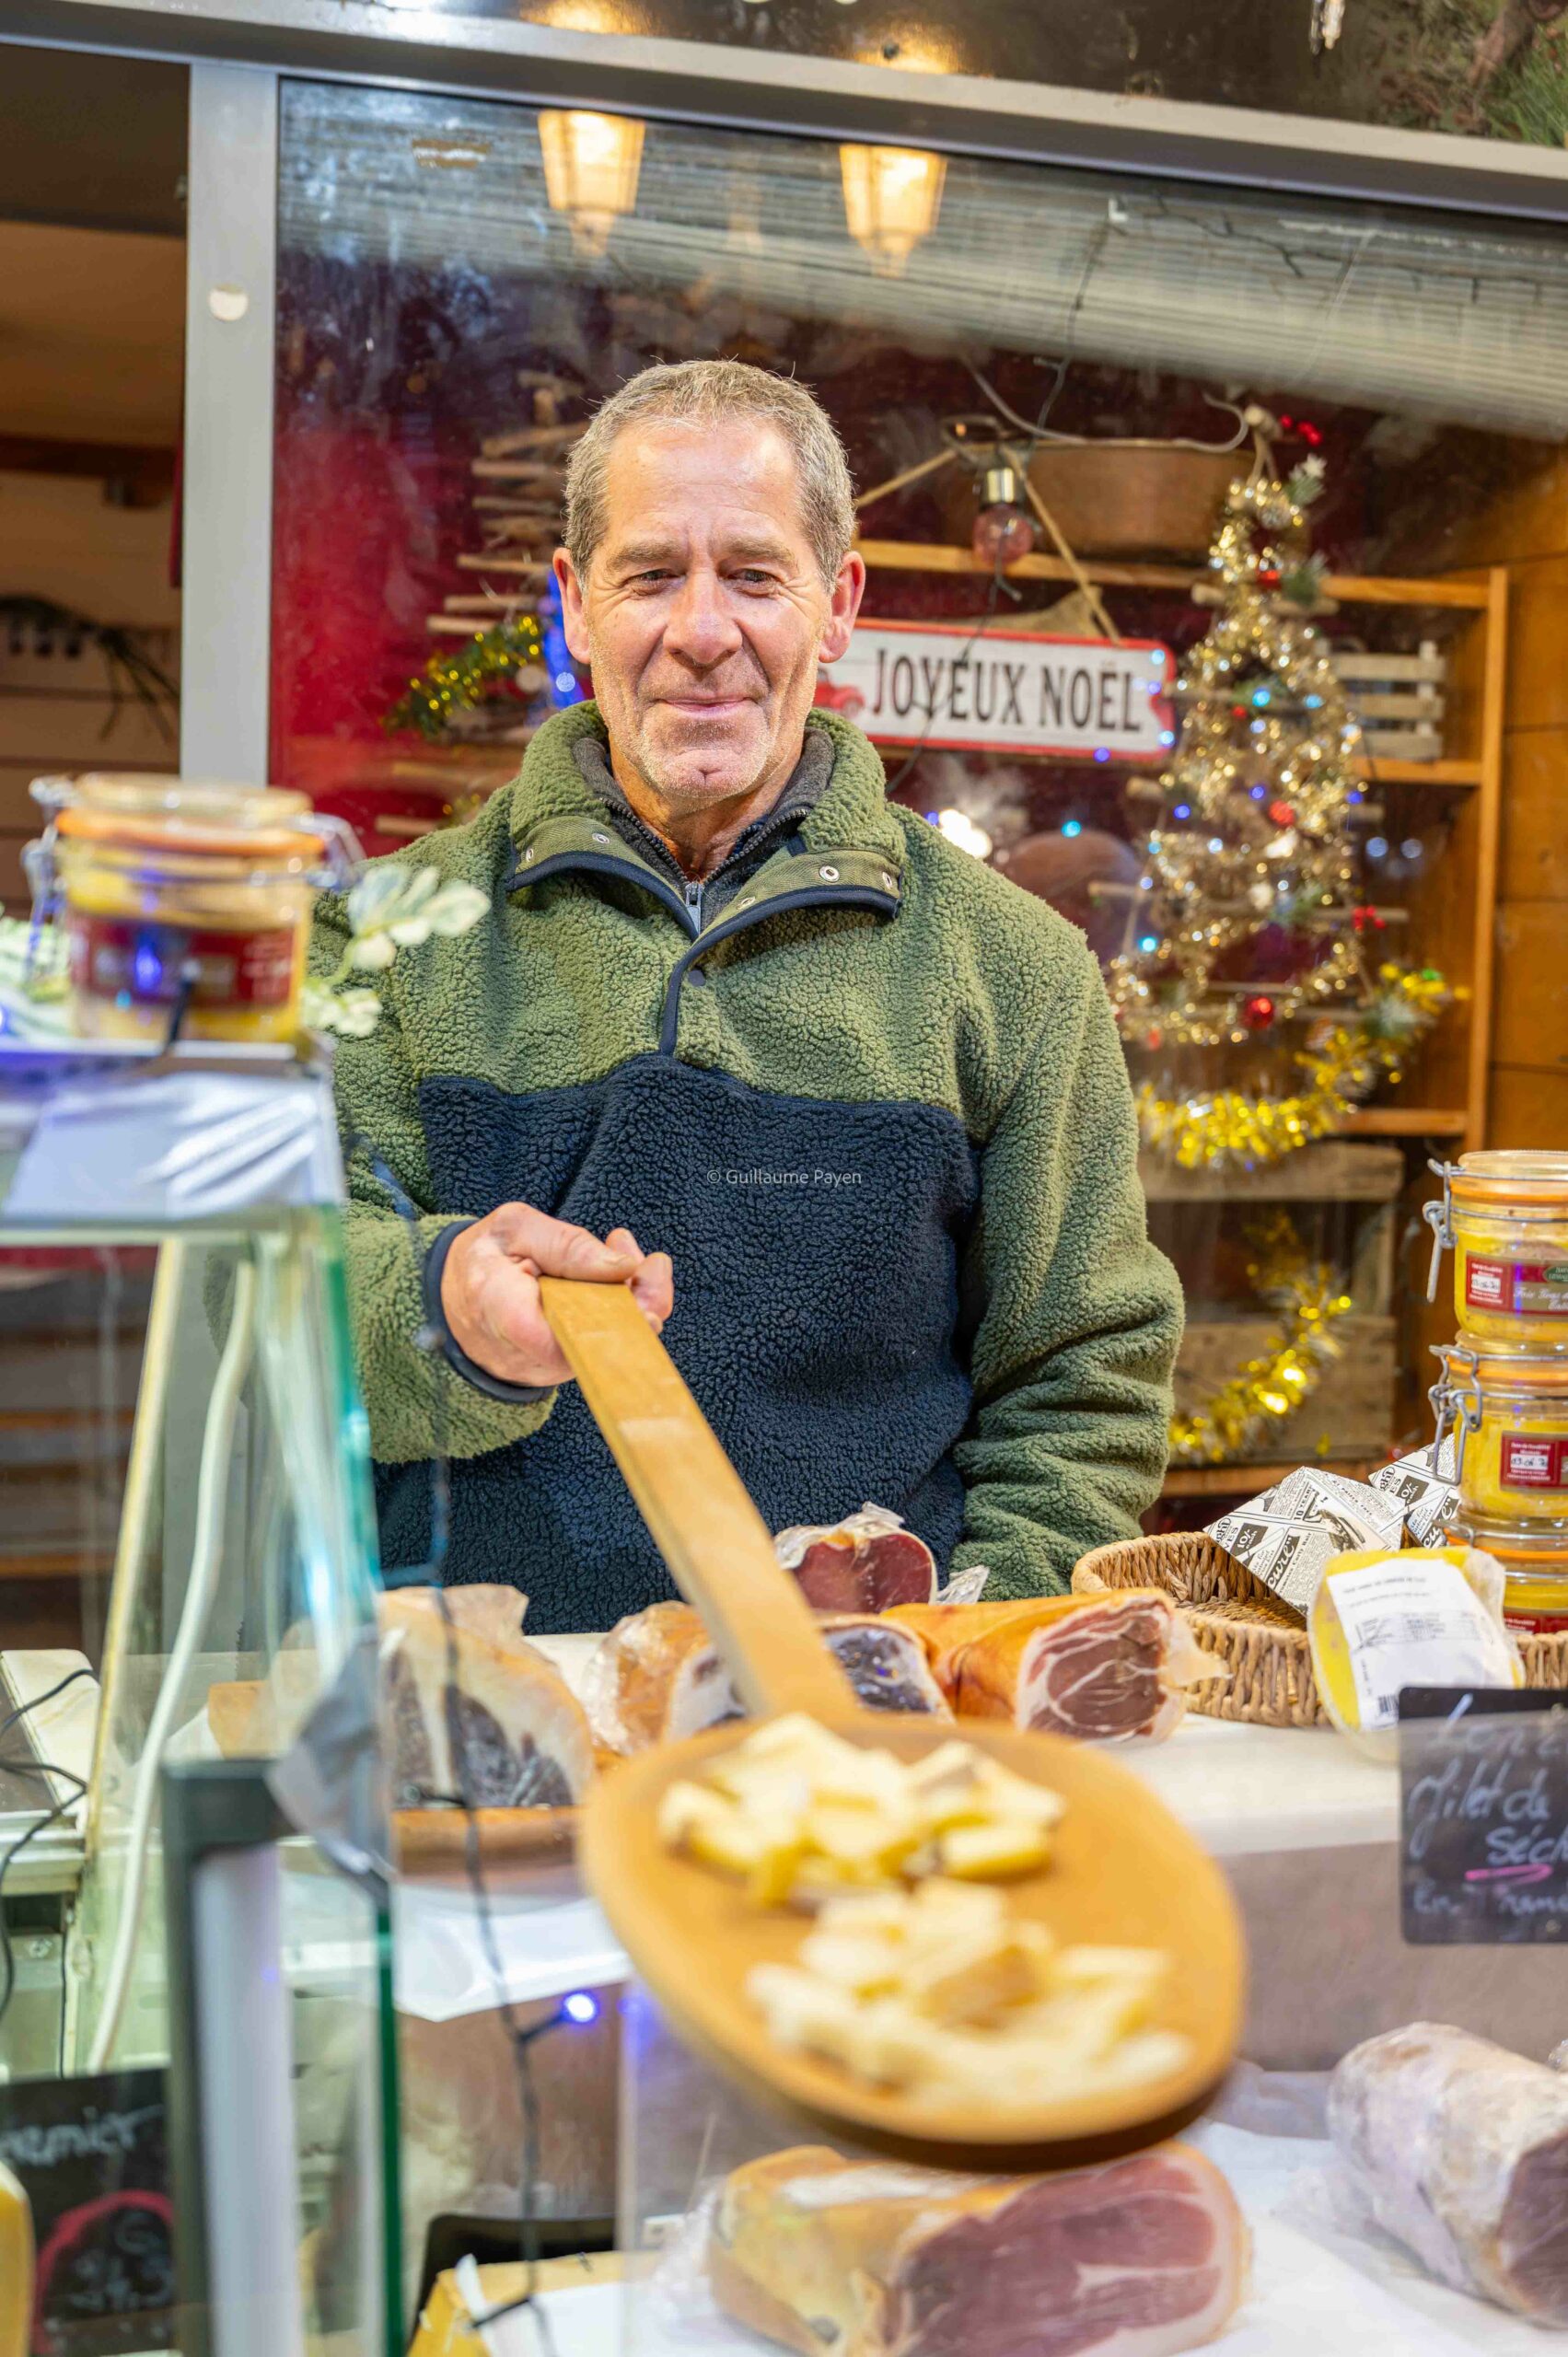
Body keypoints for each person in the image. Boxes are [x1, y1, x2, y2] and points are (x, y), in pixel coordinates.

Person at [318, 359, 1182, 1632]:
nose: (704, 630)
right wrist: (443, 1308)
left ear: (838, 607)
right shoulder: (387, 936)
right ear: (572, 603)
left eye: (757, 576)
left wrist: (954, 1656)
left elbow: (1084, 1382)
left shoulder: (1016, 972)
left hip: (853, 1741)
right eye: (652, 574)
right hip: (483, 1718)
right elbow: (274, 1307)